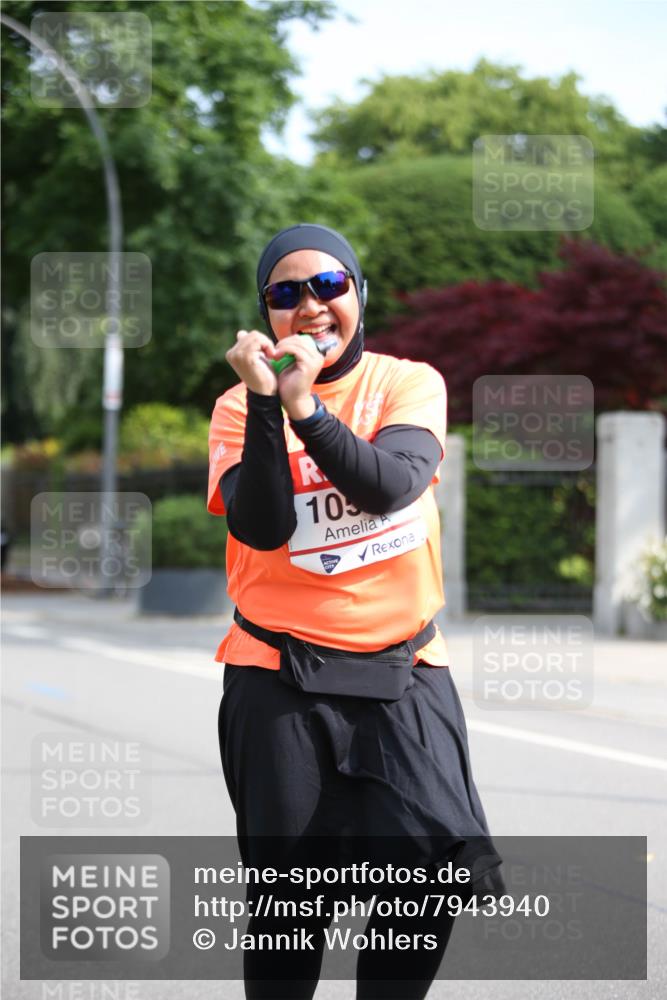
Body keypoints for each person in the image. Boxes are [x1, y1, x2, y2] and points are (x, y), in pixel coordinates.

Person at [207, 224, 503, 999]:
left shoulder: (408, 383)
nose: (310, 306)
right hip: (277, 675)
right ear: (266, 315)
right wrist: (273, 403)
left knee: (428, 880)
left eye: (328, 286)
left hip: (404, 672)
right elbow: (262, 524)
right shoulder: (237, 408)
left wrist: (307, 408)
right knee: (292, 905)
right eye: (285, 293)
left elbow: (389, 485)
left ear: (358, 296)